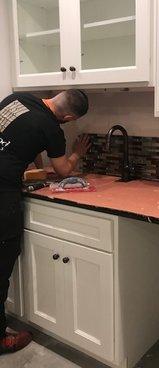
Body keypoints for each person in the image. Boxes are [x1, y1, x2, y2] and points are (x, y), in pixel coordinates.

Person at [0, 89, 91, 354]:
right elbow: (62, 170)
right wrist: (77, 152)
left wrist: (30, 163)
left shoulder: (16, 98)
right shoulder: (51, 129)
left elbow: (16, 136)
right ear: (69, 116)